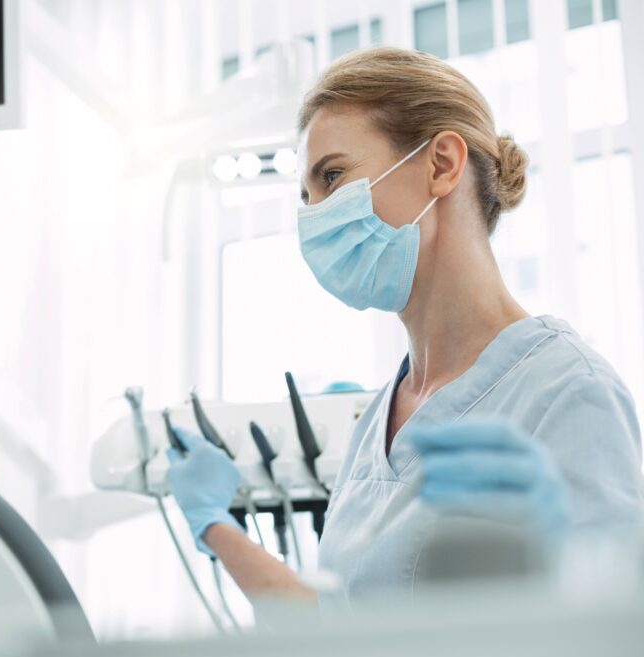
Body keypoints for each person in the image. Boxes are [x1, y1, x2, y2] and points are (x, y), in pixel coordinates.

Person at [165, 47, 644, 608]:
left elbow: (611, 639)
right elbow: (347, 638)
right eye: (306, 195)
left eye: (333, 176)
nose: (312, 215)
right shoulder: (382, 415)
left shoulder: (566, 391)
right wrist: (215, 525)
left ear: (442, 164)